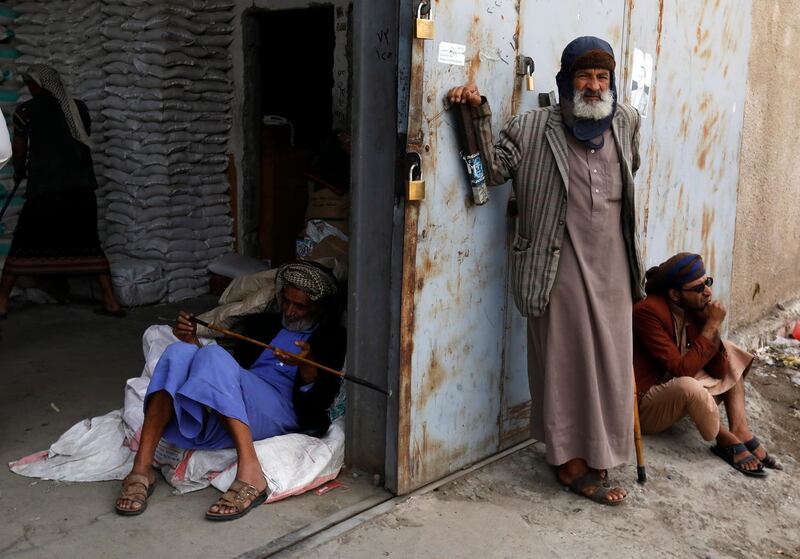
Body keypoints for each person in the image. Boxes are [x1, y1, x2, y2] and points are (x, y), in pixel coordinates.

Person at [447, 36, 644, 505]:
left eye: (602, 78)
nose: (594, 87)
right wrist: (474, 114)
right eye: (584, 76)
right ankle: (568, 460)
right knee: (563, 361)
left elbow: (628, 173)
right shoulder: (534, 127)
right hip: (557, 264)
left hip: (613, 265)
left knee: (611, 365)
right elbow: (492, 172)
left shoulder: (627, 122)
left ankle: (599, 453)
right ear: (566, 80)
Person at [114, 261, 346, 520]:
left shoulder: (330, 338)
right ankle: (142, 467)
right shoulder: (263, 325)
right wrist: (192, 341)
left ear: (319, 307)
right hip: (238, 407)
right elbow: (227, 376)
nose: (290, 311)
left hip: (281, 412)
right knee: (178, 351)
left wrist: (306, 366)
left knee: (213, 354)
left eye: (300, 306)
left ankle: (250, 473)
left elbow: (318, 402)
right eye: (286, 301)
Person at [633, 252, 781, 477]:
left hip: (673, 381)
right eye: (698, 288)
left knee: (731, 350)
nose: (708, 292)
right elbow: (681, 370)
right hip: (646, 404)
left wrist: (709, 325)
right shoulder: (648, 312)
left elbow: (719, 369)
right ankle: (724, 439)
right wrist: (710, 326)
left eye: (707, 283)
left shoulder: (692, 309)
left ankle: (740, 429)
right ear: (674, 294)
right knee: (688, 387)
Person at [0, 65, 122, 318]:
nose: (30, 90)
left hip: (45, 190)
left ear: (39, 86)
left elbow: (19, 149)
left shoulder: (26, 111)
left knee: (23, 245)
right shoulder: (79, 109)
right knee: (89, 244)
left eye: (31, 85)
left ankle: (1, 302)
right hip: (81, 189)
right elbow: (77, 139)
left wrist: (19, 171)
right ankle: (111, 302)